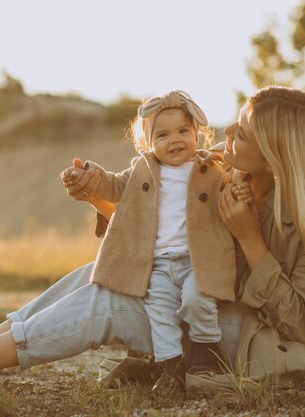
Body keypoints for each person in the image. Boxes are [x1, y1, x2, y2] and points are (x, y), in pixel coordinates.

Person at [0, 85, 305, 401]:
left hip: (255, 343)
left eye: (245, 130)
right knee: (98, 274)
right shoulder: (228, 177)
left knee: (107, 303)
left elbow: (304, 323)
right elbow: (160, 229)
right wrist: (98, 199)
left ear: (281, 152)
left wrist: (250, 242)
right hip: (209, 306)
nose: (228, 131)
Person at [60, 90, 236, 393]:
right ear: (147, 143)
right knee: (160, 314)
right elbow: (113, 185)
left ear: (198, 134)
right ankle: (171, 368)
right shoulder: (143, 170)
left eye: (183, 131)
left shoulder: (209, 168)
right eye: (164, 134)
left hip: (198, 262)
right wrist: (90, 176)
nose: (175, 139)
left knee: (198, 300)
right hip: (159, 265)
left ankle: (207, 356)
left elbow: (232, 190)